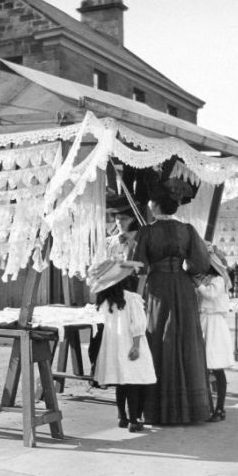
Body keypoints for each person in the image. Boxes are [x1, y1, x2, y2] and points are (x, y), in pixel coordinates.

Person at [132, 178, 213, 425]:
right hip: (183, 287)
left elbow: (139, 267)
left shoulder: (146, 231)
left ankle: (159, 408)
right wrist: (188, 277)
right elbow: (201, 264)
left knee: (157, 339)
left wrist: (137, 296)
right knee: (184, 339)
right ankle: (191, 407)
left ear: (155, 206)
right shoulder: (188, 230)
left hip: (157, 289)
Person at [88, 258, 156, 433]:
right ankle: (134, 419)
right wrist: (136, 346)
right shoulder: (132, 298)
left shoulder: (104, 302)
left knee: (121, 382)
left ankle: (122, 417)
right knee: (134, 381)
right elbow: (138, 325)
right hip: (130, 343)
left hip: (113, 347)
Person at [89, 196, 143, 382]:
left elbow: (140, 266)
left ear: (133, 220)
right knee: (100, 331)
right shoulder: (108, 241)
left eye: (125, 219)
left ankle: (123, 371)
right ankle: (98, 369)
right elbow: (98, 265)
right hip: (107, 290)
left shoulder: (137, 241)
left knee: (127, 332)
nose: (120, 222)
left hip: (127, 290)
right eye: (118, 218)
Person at [193, 245, 236, 423]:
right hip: (204, 321)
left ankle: (220, 407)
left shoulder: (218, 279)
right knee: (204, 365)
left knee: (216, 366)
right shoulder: (207, 278)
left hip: (214, 324)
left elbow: (210, 294)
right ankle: (208, 406)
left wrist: (198, 285)